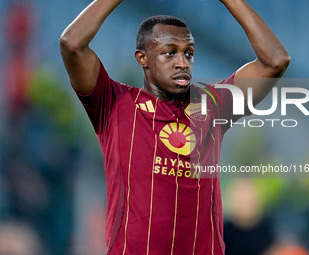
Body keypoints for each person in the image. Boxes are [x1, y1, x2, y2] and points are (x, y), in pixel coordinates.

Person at [60, 0, 290, 254]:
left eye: (189, 53)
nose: (182, 63)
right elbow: (72, 44)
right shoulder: (114, 102)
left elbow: (275, 61)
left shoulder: (212, 106)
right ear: (143, 58)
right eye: (170, 52)